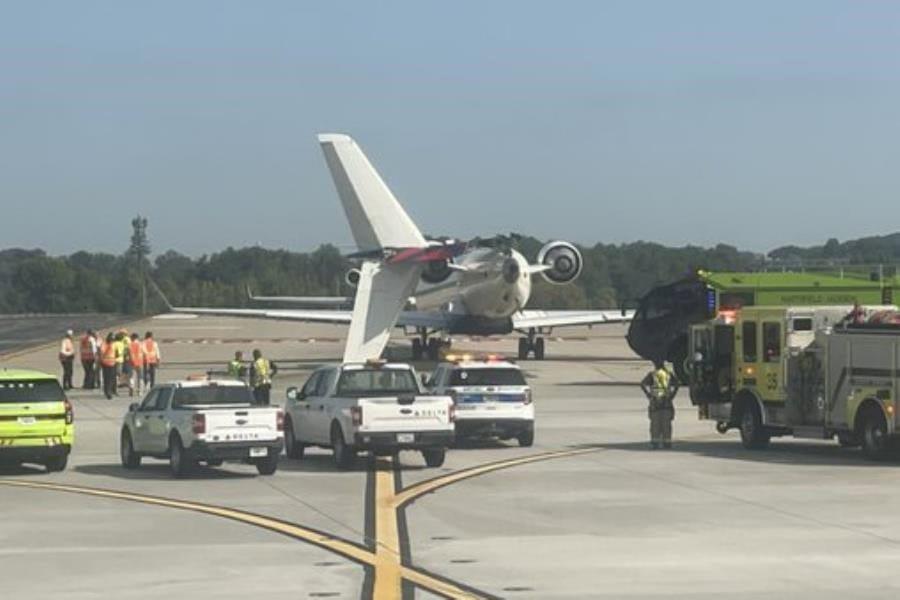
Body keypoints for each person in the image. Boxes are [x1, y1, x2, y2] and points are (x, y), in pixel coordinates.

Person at [640, 360, 679, 449]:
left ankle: (655, 442)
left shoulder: (652, 374)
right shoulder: (668, 374)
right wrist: (672, 395)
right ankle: (667, 442)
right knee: (666, 425)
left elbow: (642, 384)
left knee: (655, 424)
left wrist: (648, 395)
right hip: (666, 402)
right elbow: (677, 384)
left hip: (655, 402)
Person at [99, 333, 118, 400]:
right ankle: (107, 392)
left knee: (111, 378)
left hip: (112, 363)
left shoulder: (113, 344)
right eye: (111, 339)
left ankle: (110, 391)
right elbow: (102, 353)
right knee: (107, 378)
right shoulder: (104, 344)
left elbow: (116, 353)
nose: (112, 341)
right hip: (106, 363)